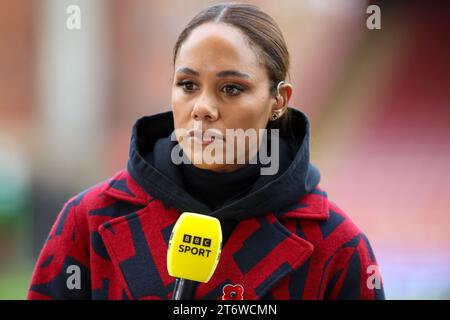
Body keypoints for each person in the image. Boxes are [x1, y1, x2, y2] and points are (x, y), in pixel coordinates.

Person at [28, 3, 385, 300]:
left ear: (279, 100)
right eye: (188, 85)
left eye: (231, 88)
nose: (203, 107)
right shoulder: (88, 220)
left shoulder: (338, 246)